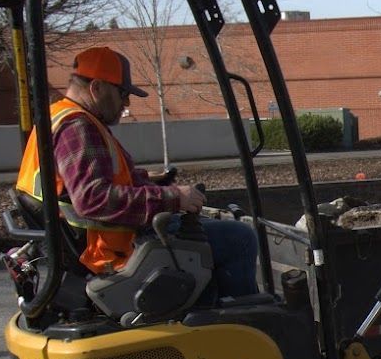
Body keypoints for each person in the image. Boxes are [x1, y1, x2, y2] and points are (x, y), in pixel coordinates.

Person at [14, 46, 259, 300]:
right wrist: (173, 198)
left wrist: (145, 181)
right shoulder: (78, 127)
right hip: (111, 250)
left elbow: (85, 181)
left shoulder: (59, 116)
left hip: (103, 239)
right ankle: (245, 321)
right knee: (239, 238)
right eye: (122, 94)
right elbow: (93, 198)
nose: (126, 103)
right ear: (96, 88)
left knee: (211, 233)